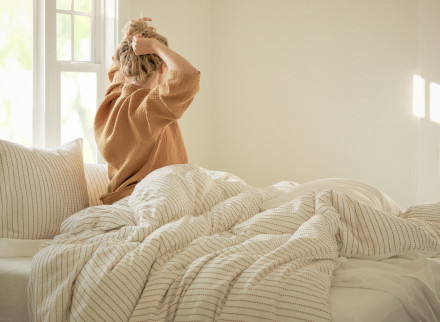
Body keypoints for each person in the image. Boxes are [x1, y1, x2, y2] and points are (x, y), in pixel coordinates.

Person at [94, 17, 200, 204]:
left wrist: (131, 34)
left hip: (120, 201)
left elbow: (118, 65)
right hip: (152, 200)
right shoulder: (151, 106)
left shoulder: (114, 97)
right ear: (162, 66)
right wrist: (155, 46)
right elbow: (188, 75)